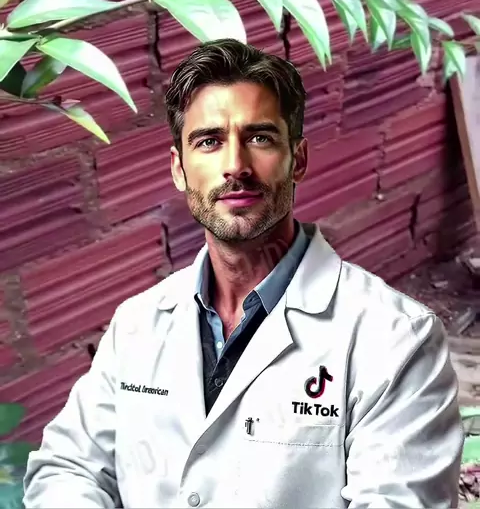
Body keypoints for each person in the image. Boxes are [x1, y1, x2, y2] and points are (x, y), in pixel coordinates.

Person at [23, 38, 464, 509]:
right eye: (209, 141)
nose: (235, 166)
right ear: (179, 169)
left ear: (298, 159)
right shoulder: (137, 325)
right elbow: (67, 468)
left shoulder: (396, 341)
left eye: (260, 138)